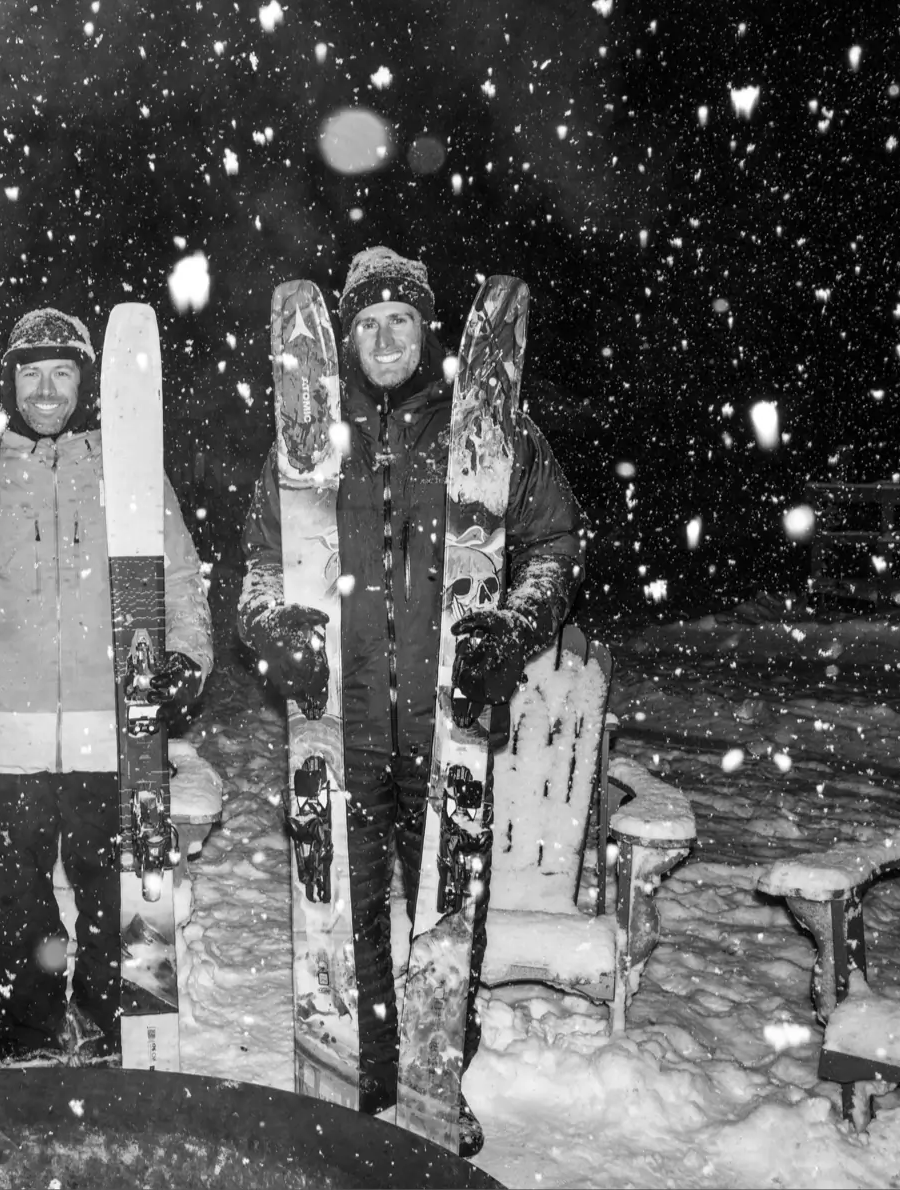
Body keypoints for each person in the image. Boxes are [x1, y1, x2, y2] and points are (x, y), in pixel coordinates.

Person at [238, 248, 581, 1153]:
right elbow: (260, 568)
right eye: (366, 324)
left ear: (425, 330)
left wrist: (513, 626)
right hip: (338, 723)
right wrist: (273, 625)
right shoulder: (304, 436)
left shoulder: (490, 428)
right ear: (345, 338)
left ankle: (435, 1073)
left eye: (400, 321)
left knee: (446, 916)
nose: (384, 338)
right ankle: (364, 1070)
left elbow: (553, 545)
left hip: (450, 723)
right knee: (344, 917)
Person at [0, 307, 214, 1063]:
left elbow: (178, 576)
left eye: (63, 373)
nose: (47, 390)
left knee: (114, 882)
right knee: (15, 893)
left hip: (107, 723)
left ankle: (109, 1020)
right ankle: (31, 1028)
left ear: (85, 382)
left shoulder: (125, 467)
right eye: (31, 374)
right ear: (9, 383)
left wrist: (184, 658)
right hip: (4, 727)